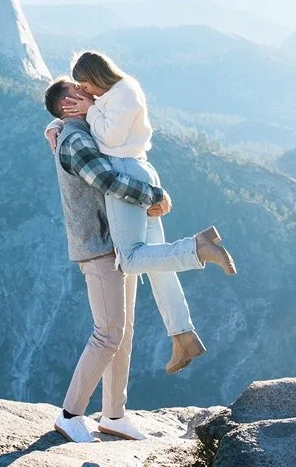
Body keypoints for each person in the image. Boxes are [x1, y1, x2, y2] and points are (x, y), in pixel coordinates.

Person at [44, 78, 229, 443]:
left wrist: (53, 123)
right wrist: (153, 195)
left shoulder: (83, 128)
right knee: (108, 334)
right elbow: (108, 179)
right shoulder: (75, 139)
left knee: (122, 334)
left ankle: (114, 414)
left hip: (117, 244)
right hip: (98, 249)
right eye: (81, 92)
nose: (92, 94)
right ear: (68, 104)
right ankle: (70, 415)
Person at [62, 51, 237, 375]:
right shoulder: (116, 93)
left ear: (97, 76)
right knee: (157, 264)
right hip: (139, 170)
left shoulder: (121, 94)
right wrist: (60, 121)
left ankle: (197, 248)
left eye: (86, 86)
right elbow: (84, 119)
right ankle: (183, 335)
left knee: (129, 258)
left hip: (125, 174)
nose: (85, 92)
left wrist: (89, 109)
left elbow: (107, 137)